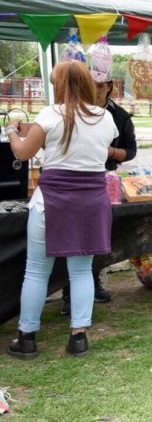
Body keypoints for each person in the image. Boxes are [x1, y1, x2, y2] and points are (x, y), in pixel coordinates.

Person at [6, 60, 118, 359]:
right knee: (81, 272)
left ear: (58, 85)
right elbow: (90, 145)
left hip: (51, 202)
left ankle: (27, 337)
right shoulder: (105, 118)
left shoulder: (49, 114)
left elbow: (23, 151)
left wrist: (12, 133)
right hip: (91, 202)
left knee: (36, 271)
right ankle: (78, 337)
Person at [61, 76, 137, 314]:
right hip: (72, 179)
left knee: (95, 236)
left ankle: (93, 282)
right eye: (90, 84)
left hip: (104, 179)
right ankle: (67, 291)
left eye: (100, 86)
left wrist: (111, 151)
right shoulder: (69, 111)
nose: (94, 90)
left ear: (110, 87)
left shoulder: (120, 116)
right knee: (70, 238)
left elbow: (131, 150)